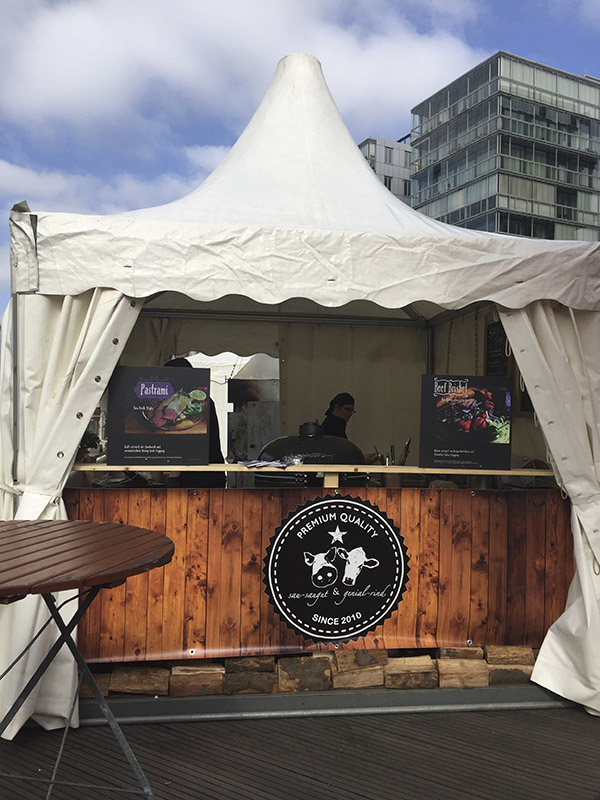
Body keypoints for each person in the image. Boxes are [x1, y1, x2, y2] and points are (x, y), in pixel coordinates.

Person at [163, 357, 226, 488]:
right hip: (209, 474)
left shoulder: (198, 403)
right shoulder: (202, 401)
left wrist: (174, 475)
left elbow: (190, 443)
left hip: (200, 477)